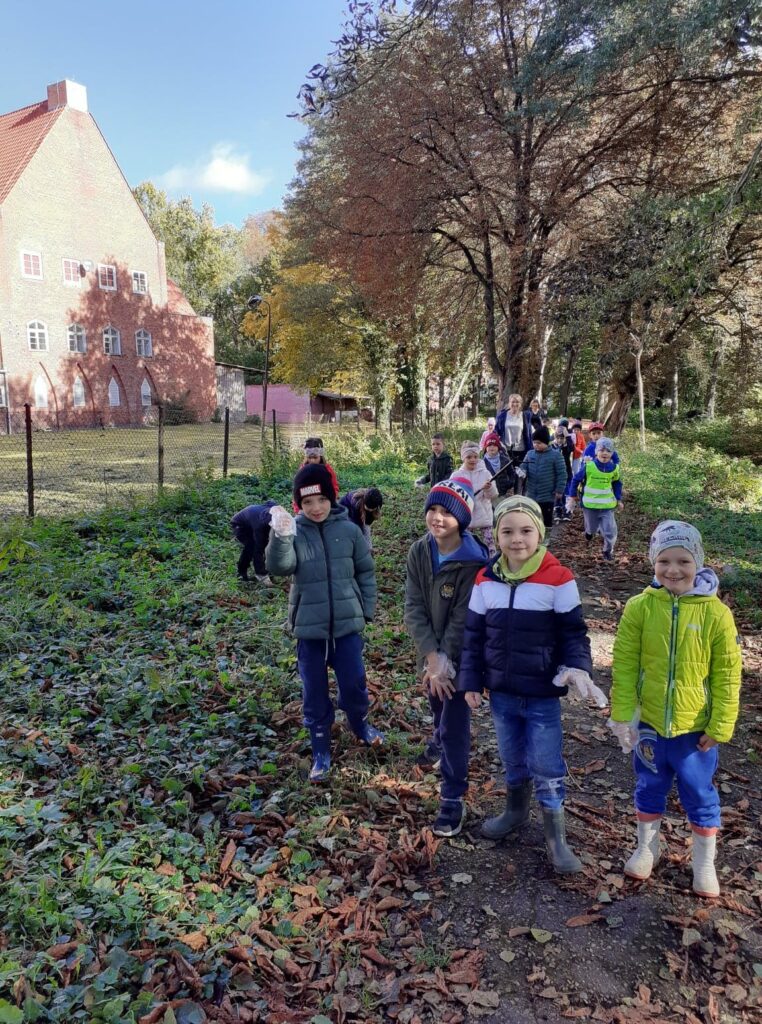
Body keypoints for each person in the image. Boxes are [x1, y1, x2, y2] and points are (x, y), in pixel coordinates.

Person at [458, 495, 606, 873]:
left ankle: (556, 835)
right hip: (502, 694)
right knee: (511, 756)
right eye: (507, 531)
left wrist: (577, 668)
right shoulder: (485, 579)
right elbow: (473, 637)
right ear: (496, 535)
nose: (517, 539)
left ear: (539, 534)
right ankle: (515, 810)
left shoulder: (559, 578)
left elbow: (574, 634)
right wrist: (471, 680)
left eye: (526, 530)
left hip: (541, 695)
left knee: (546, 761)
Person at [609, 521, 742, 898]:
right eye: (663, 560)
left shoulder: (716, 614)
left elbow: (728, 675)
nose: (673, 569)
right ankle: (647, 847)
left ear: (697, 562)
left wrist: (720, 724)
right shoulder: (639, 608)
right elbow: (624, 664)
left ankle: (704, 863)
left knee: (698, 792)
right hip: (650, 725)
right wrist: (623, 714)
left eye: (683, 560)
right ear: (653, 562)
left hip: (694, 731)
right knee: (649, 785)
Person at [266, 463, 383, 783]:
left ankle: (359, 724)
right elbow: (280, 567)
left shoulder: (349, 530)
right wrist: (280, 536)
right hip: (310, 630)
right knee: (314, 692)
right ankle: (321, 749)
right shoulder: (296, 531)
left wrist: (366, 609)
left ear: (331, 498)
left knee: (355, 683)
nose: (315, 508)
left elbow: (365, 572)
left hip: (347, 628)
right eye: (307, 503)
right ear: (298, 505)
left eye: (320, 500)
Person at [404, 476, 489, 836]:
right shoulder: (419, 551)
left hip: (464, 654)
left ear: (462, 520)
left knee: (455, 724)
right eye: (433, 510)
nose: (437, 518)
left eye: (446, 513)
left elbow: (463, 618)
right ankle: (436, 737)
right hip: (433, 655)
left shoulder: (474, 562)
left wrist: (445, 660)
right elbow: (414, 606)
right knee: (436, 702)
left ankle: (452, 796)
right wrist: (430, 655)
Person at [567, 437, 623, 562]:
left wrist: (619, 499)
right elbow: (576, 479)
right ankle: (589, 532)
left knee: (610, 531)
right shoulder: (589, 467)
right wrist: (572, 496)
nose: (605, 453)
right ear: (596, 452)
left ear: (612, 454)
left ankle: (607, 551)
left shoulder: (614, 469)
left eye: (608, 451)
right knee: (592, 528)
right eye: (602, 450)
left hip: (607, 506)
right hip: (590, 506)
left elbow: (617, 483)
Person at [514, 427, 566, 530]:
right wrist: (521, 471)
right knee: (530, 519)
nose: (536, 445)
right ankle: (533, 539)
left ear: (546, 442)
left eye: (539, 443)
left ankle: (545, 540)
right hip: (531, 494)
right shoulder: (530, 454)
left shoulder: (555, 455)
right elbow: (524, 467)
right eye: (534, 443)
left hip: (547, 495)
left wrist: (559, 490)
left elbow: (562, 474)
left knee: (546, 520)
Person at [457, 440, 498, 552]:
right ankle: (471, 563)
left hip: (484, 514)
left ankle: (491, 564)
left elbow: (493, 495)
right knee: (467, 544)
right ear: (463, 458)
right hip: (466, 516)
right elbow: (454, 497)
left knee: (490, 544)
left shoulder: (486, 473)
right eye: (469, 457)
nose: (473, 460)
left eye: (475, 456)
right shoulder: (457, 476)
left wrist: (488, 488)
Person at [230, 500, 277, 583]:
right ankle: (243, 574)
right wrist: (262, 574)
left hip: (252, 521)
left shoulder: (277, 513)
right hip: (240, 525)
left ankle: (269, 573)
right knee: (251, 547)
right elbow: (258, 550)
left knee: (268, 547)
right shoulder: (259, 525)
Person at [292, 438, 340, 513]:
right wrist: (298, 511)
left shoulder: (327, 470)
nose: (312, 461)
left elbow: (334, 487)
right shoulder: (302, 471)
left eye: (315, 457)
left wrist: (332, 501)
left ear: (320, 456)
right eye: (309, 458)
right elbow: (297, 491)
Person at [495, 393, 533, 466]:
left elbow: (529, 434)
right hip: (506, 450)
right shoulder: (502, 416)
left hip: (521, 450)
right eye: (513, 402)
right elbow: (496, 431)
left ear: (520, 404)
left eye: (517, 402)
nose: (515, 404)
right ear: (509, 403)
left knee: (520, 472)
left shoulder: (525, 416)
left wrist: (531, 449)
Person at [481, 432, 516, 503]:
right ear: (486, 447)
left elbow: (512, 473)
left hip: (504, 493)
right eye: (489, 445)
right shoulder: (482, 463)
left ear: (498, 447)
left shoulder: (505, 459)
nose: (492, 447)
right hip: (490, 496)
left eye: (494, 445)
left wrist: (510, 483)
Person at [552, 425, 574, 521]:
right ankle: (558, 510)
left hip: (567, 473)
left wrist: (568, 436)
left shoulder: (566, 448)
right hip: (556, 475)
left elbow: (572, 447)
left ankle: (567, 510)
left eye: (562, 438)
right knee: (557, 492)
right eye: (558, 438)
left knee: (566, 492)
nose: (560, 440)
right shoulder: (552, 447)